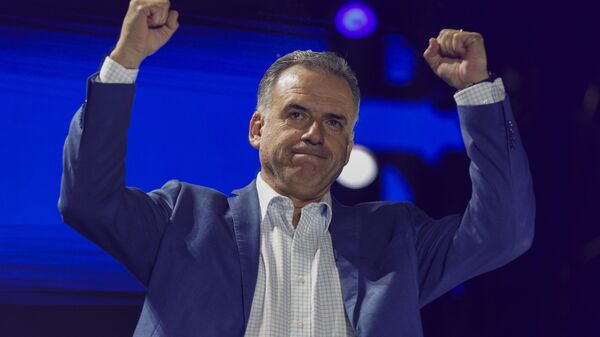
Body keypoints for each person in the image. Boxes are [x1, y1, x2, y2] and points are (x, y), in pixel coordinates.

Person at [58, 0, 535, 336]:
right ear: (256, 129)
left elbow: (504, 231)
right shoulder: (184, 220)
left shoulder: (396, 239)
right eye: (296, 114)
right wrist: (125, 61)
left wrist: (475, 92)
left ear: (349, 149)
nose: (314, 134)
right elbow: (88, 201)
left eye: (333, 122)